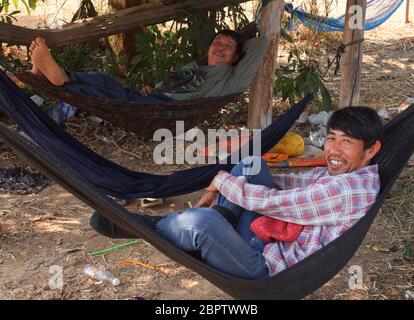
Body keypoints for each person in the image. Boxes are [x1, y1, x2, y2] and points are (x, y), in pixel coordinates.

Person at [90, 106, 384, 280]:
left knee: (202, 224)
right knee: (250, 164)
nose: (333, 150)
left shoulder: (350, 190)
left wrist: (221, 181)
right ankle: (218, 219)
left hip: (268, 271)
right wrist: (235, 179)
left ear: (371, 149)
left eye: (347, 142)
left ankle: (147, 226)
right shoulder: (344, 171)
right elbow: (293, 183)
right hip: (266, 236)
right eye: (331, 139)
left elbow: (278, 203)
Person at [28, 29, 269, 102]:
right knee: (104, 81)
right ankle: (59, 75)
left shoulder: (231, 78)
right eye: (217, 41)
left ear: (237, 57)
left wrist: (247, 33)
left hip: (168, 110)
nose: (220, 46)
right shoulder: (194, 67)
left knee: (106, 95)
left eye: (228, 46)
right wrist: (152, 89)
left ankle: (58, 78)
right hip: (151, 100)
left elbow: (262, 43)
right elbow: (168, 84)